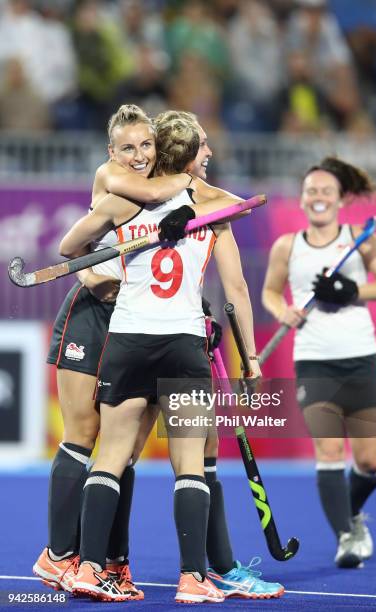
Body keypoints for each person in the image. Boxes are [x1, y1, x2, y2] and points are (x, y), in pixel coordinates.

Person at [58, 116, 265, 603]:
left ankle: (88, 569)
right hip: (181, 344)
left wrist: (98, 278)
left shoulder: (124, 200)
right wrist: (193, 200)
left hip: (128, 341)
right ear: (190, 154)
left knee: (110, 457)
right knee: (189, 464)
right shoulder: (212, 204)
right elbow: (246, 234)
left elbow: (70, 249)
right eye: (203, 148)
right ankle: (194, 579)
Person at [33, 104, 195, 598]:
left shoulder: (161, 179)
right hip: (95, 312)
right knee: (83, 435)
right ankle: (58, 555)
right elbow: (75, 252)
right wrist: (94, 281)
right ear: (111, 151)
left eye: (146, 145)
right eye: (128, 147)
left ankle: (106, 561)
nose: (138, 155)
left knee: (120, 448)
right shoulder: (115, 176)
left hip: (138, 321)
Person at [262, 157, 376, 568]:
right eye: (311, 191)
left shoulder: (361, 238)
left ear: (340, 198)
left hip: (361, 358)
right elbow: (271, 292)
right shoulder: (287, 246)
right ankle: (346, 536)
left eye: (326, 190)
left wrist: (348, 289)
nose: (318, 197)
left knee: (370, 462)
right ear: (303, 199)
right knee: (327, 451)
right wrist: (282, 310)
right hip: (314, 362)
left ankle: (353, 513)